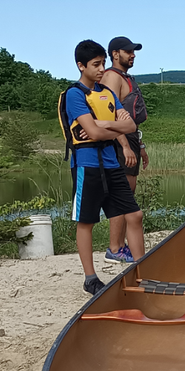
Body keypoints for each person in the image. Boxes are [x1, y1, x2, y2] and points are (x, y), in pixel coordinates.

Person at [63, 40, 145, 297]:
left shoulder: (106, 94)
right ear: (81, 66)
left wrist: (104, 125)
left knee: (134, 215)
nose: (101, 70)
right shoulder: (75, 95)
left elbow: (130, 126)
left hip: (112, 163)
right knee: (86, 222)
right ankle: (90, 278)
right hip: (87, 165)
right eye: (96, 65)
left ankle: (141, 272)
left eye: (102, 64)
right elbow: (93, 132)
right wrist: (109, 126)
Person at [101, 38, 149, 261]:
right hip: (118, 141)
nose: (133, 55)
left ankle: (120, 247)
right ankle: (115, 248)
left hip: (130, 138)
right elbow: (107, 114)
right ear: (115, 53)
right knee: (121, 195)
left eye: (134, 51)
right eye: (128, 51)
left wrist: (139, 145)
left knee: (128, 192)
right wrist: (124, 146)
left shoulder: (126, 78)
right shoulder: (112, 77)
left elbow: (130, 118)